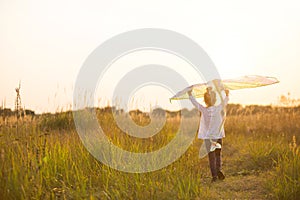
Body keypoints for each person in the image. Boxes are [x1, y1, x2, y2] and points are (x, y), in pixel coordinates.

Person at [188, 86, 229, 182]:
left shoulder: (204, 109)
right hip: (218, 136)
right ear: (215, 100)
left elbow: (195, 103)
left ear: (205, 100)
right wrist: (226, 94)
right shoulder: (218, 108)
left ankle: (214, 176)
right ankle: (219, 170)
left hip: (208, 138)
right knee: (218, 155)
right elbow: (225, 102)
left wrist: (190, 95)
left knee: (211, 157)